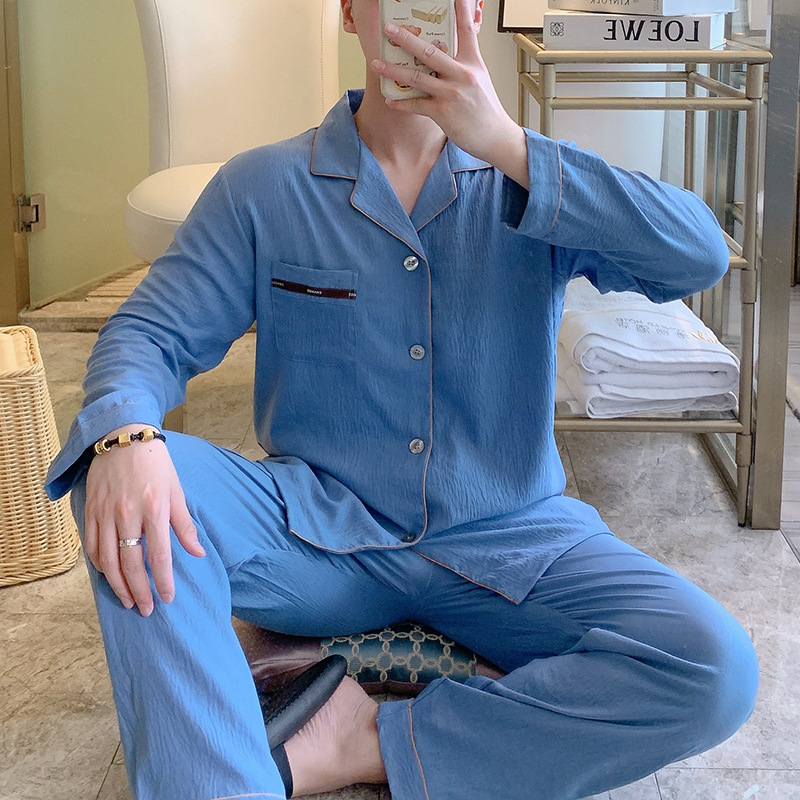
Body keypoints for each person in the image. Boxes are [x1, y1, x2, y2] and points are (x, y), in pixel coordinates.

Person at [46, 1, 758, 798]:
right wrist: (124, 436)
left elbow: (698, 255)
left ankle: (361, 746)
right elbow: (150, 332)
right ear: (353, 11)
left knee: (714, 668)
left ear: (475, 12)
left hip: (514, 538)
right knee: (129, 480)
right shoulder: (263, 185)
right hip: (317, 533)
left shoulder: (532, 179)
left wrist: (504, 142)